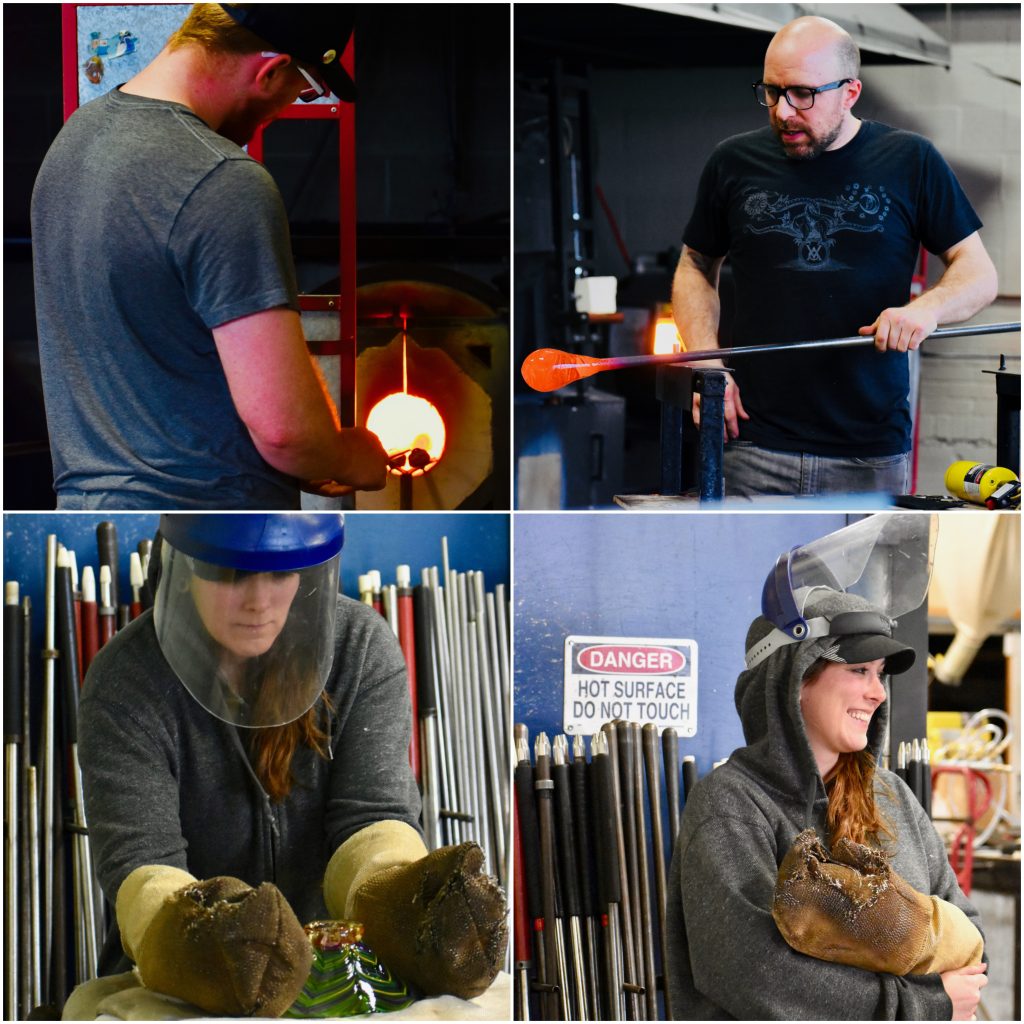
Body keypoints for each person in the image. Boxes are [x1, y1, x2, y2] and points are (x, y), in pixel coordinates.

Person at [76, 514, 506, 1016]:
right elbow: (142, 861)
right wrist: (202, 942)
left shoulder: (358, 646)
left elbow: (372, 817)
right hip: (182, 983)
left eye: (281, 572)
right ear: (185, 567)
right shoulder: (125, 678)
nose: (259, 601)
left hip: (341, 972)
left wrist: (406, 899)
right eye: (232, 572)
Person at [32, 5, 388, 509]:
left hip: (89, 520)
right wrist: (353, 455)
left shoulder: (74, 142)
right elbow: (288, 435)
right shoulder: (221, 178)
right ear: (271, 69)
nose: (284, 108)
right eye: (301, 88)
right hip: (206, 533)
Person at [672, 15, 999, 497]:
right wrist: (708, 365)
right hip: (753, 443)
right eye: (771, 91)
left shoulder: (910, 161)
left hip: (867, 450)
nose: (783, 111)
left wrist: (926, 309)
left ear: (850, 92)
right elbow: (695, 265)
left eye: (803, 93)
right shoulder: (733, 162)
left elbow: (979, 273)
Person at [664, 584, 988, 1020]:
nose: (878, 693)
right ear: (794, 679)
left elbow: (971, 944)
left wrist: (919, 942)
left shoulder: (893, 798)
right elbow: (755, 975)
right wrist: (921, 1003)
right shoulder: (731, 805)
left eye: (879, 674)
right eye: (859, 671)